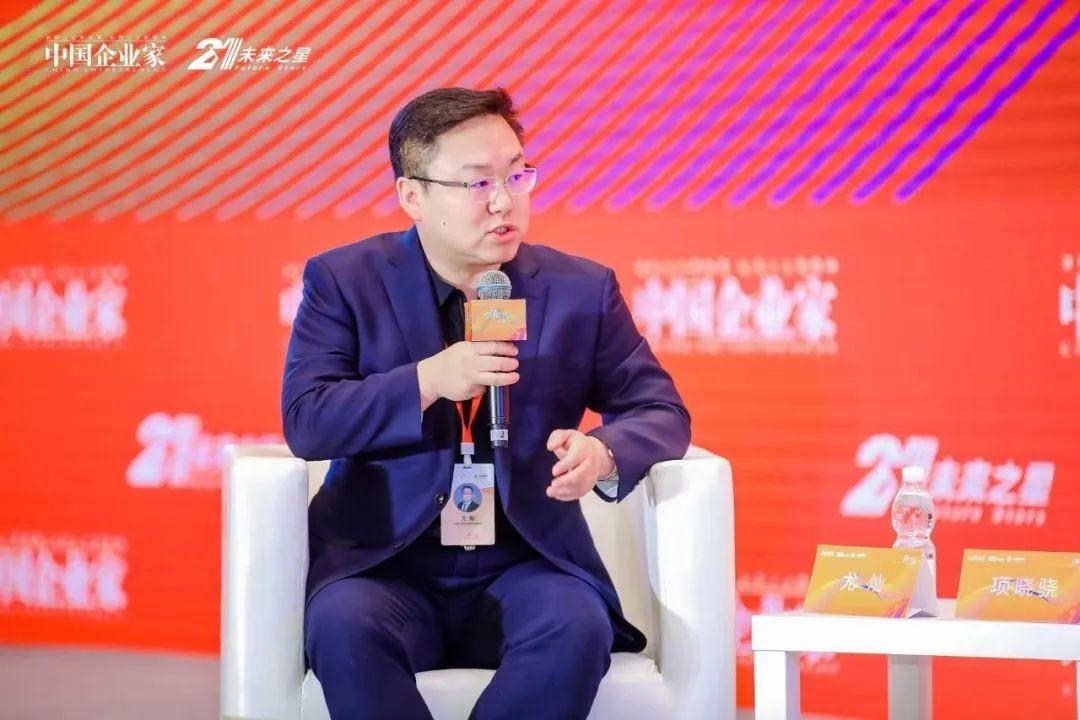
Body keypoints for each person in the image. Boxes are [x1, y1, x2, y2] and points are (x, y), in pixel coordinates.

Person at [282, 86, 690, 720]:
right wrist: (427, 379)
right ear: (412, 196)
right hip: (385, 567)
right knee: (344, 627)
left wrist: (603, 452)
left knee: (577, 626)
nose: (504, 201)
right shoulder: (345, 280)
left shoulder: (580, 290)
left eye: (517, 176)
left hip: (524, 564)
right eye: (477, 183)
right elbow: (308, 419)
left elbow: (660, 410)